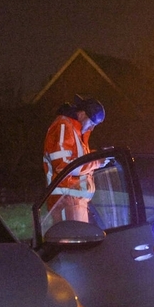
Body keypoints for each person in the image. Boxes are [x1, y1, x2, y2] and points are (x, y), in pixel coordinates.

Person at [42, 95, 106, 223]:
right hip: (66, 199)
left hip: (73, 200)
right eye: (92, 123)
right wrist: (96, 162)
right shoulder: (64, 125)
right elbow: (63, 166)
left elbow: (77, 159)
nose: (92, 128)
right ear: (81, 114)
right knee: (73, 236)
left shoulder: (75, 130)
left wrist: (98, 155)